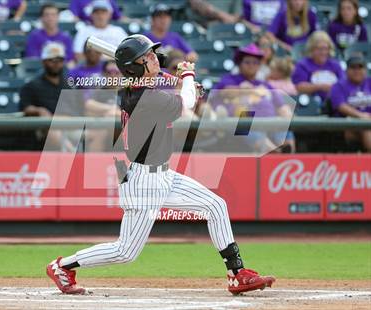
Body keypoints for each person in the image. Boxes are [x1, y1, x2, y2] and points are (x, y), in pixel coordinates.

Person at [46, 34, 276, 296]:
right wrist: (187, 78)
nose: (155, 58)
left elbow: (159, 82)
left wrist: (178, 81)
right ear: (135, 67)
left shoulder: (142, 85)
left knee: (216, 205)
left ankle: (237, 274)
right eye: (149, 56)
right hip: (143, 181)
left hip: (162, 174)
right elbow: (186, 103)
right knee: (125, 252)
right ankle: (63, 266)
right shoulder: (146, 99)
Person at [213, 43, 295, 153]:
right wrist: (247, 90)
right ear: (240, 64)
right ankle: (275, 154)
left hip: (269, 121)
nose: (251, 65)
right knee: (246, 124)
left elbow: (281, 106)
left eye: (255, 63)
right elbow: (225, 92)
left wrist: (286, 115)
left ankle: (286, 155)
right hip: (241, 122)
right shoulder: (229, 79)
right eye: (247, 62)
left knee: (284, 127)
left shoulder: (265, 84)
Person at [20, 42, 81, 151]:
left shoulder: (69, 85)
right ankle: (73, 156)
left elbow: (78, 112)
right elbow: (25, 108)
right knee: (49, 126)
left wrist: (55, 119)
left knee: (96, 131)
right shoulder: (32, 85)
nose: (56, 63)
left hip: (69, 125)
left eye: (60, 60)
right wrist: (39, 110)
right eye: (52, 60)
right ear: (44, 61)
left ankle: (94, 163)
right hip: (44, 129)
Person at [329, 55, 371, 152]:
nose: (357, 71)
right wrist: (361, 115)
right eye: (353, 68)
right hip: (348, 124)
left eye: (360, 67)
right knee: (367, 129)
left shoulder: (369, 82)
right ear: (347, 70)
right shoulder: (339, 86)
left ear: (365, 70)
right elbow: (340, 106)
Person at [292, 31, 344, 103]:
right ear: (312, 49)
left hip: (334, 103)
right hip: (310, 103)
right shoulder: (302, 65)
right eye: (319, 49)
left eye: (325, 48)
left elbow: (344, 85)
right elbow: (299, 87)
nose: (323, 52)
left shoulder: (336, 65)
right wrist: (320, 87)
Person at [25, 3, 75, 67]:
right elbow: (33, 60)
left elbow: (70, 60)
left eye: (53, 15)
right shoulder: (34, 37)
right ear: (41, 18)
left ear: (58, 17)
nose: (50, 18)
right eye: (47, 15)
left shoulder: (66, 37)